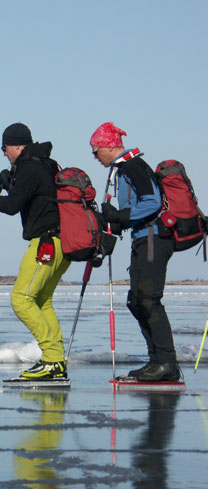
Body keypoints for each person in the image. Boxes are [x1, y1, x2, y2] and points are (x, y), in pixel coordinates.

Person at [0, 123, 70, 380]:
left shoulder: (30, 167)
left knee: (21, 299)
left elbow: (12, 206)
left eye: (4, 148)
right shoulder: (46, 163)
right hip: (61, 244)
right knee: (42, 301)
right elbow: (32, 197)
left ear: (16, 145)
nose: (4, 153)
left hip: (45, 243)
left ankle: (53, 361)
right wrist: (12, 181)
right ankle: (55, 361)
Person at [90, 122, 180, 382]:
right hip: (143, 238)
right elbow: (132, 211)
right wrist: (114, 224)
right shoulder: (122, 169)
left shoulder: (133, 166)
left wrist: (120, 216)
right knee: (136, 301)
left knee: (148, 300)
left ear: (108, 146)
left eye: (95, 151)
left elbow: (152, 202)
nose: (95, 157)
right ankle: (157, 361)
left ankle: (166, 363)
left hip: (154, 237)